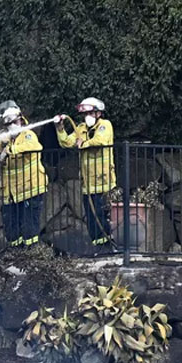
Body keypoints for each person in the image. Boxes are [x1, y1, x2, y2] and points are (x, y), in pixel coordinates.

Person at [55, 97, 115, 250]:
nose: (87, 116)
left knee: (102, 216)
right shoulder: (81, 128)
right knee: (91, 219)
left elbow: (100, 141)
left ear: (98, 113)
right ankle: (98, 247)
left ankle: (108, 246)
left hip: (104, 182)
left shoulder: (105, 125)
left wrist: (83, 144)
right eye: (85, 113)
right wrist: (60, 128)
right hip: (87, 184)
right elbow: (66, 143)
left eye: (90, 113)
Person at [0, 100, 47, 246]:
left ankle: (33, 257)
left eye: (14, 121)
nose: (12, 125)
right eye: (8, 123)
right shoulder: (4, 136)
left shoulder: (28, 135)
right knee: (11, 229)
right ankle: (17, 257)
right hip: (11, 193)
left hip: (31, 189)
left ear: (20, 119)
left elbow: (35, 146)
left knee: (30, 227)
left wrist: (9, 151)